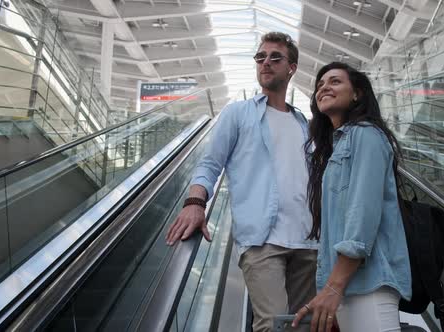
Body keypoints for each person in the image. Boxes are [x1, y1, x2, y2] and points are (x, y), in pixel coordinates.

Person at [165, 32, 318, 332]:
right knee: (273, 324)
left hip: (308, 240)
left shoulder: (304, 124)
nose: (266, 63)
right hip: (262, 239)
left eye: (276, 57)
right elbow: (210, 163)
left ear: (292, 67)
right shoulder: (239, 113)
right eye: (261, 57)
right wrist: (196, 203)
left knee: (304, 326)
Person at [292, 62, 412, 332]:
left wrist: (333, 287)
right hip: (347, 285)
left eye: (335, 81)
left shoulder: (366, 135)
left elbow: (362, 214)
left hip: (367, 282)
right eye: (320, 85)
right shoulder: (336, 148)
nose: (324, 88)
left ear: (357, 93)